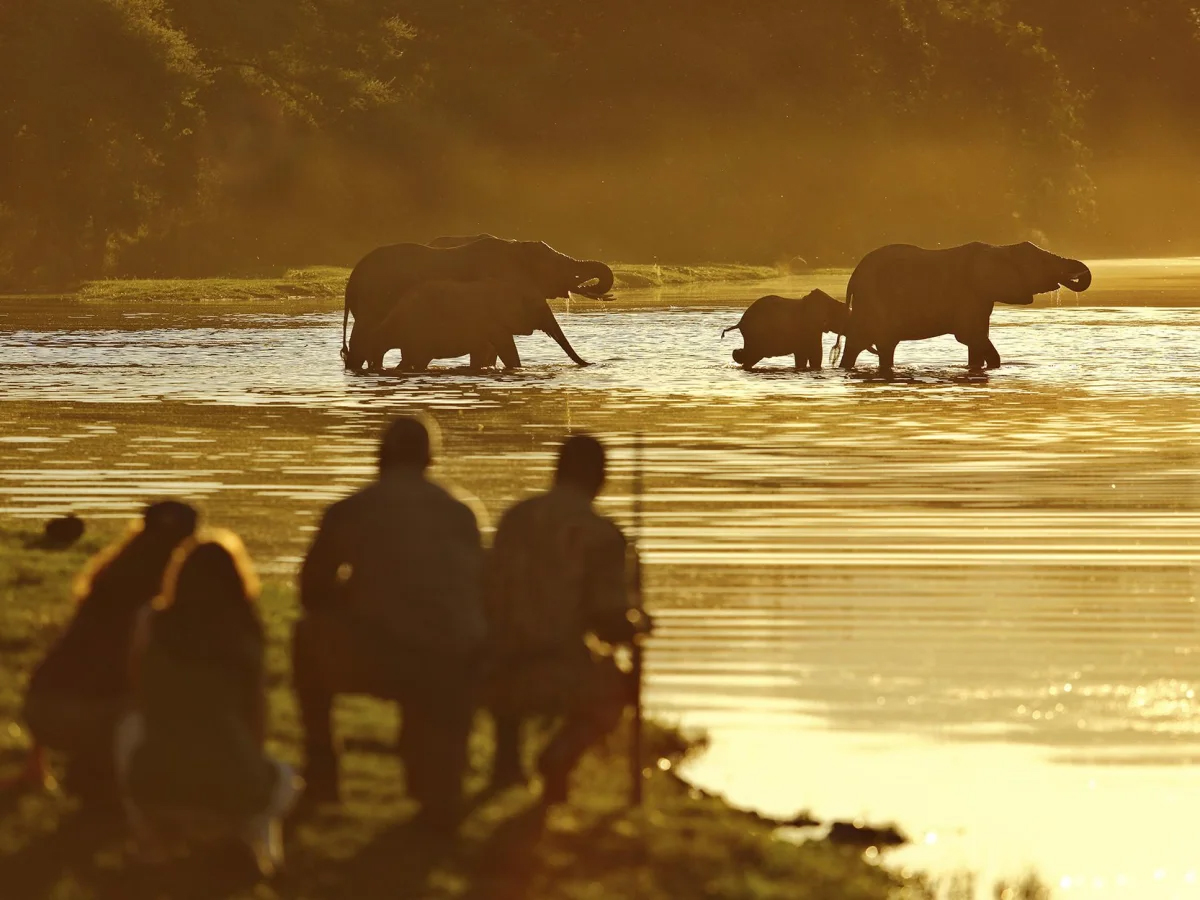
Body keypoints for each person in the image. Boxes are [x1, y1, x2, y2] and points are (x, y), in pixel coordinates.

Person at [294, 416, 486, 831]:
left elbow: (311, 591)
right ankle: (438, 788)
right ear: (430, 460)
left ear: (379, 456)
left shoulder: (352, 509)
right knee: (429, 646)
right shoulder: (462, 511)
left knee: (305, 635)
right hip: (451, 661)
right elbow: (476, 591)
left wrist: (352, 595)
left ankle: (323, 768)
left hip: (384, 655)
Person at [115, 530, 297, 876]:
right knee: (286, 778)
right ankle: (255, 846)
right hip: (233, 788)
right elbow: (257, 713)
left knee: (130, 726)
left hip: (156, 786)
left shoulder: (153, 621)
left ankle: (153, 841)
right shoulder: (246, 629)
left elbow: (139, 689)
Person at [485, 433, 648, 805]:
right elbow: (608, 624)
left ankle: (507, 759)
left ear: (556, 471)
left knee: (511, 647)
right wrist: (637, 625)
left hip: (493, 670)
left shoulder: (515, 517)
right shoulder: (602, 535)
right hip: (556, 673)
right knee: (621, 687)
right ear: (601, 478)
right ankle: (561, 754)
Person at [15, 500, 198, 805]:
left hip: (38, 709)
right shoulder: (162, 599)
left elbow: (64, 656)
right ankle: (105, 774)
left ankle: (53, 766)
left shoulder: (107, 579)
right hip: (91, 717)